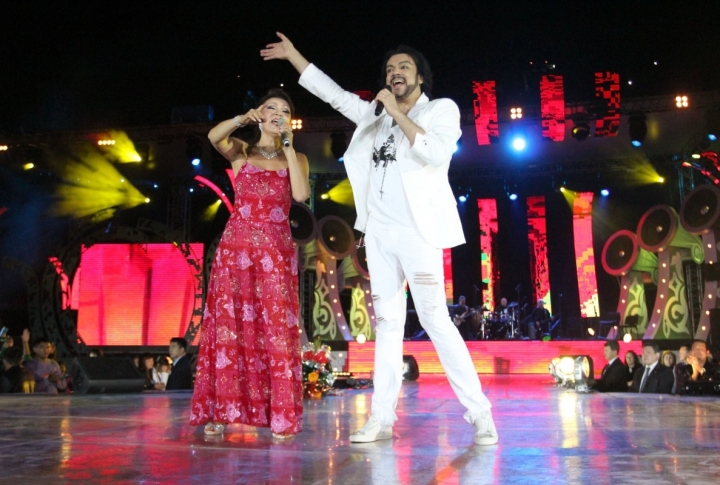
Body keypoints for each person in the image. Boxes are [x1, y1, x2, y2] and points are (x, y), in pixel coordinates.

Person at [262, 33, 497, 446]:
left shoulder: (441, 109)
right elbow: (332, 93)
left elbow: (435, 153)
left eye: (403, 68)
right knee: (387, 326)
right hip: (381, 234)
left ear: (420, 77)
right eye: (390, 70)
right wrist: (293, 55)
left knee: (435, 321)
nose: (395, 74)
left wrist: (395, 112)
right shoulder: (374, 114)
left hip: (418, 234)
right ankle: (381, 418)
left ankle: (480, 414)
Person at [189, 87, 310, 439]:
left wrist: (287, 145)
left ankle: (280, 416)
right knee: (228, 327)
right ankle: (219, 410)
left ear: (290, 121)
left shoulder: (296, 157)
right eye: (271, 107)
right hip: (235, 251)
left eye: (284, 110)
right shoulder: (242, 151)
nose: (277, 113)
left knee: (272, 330)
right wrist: (243, 118)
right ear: (261, 112)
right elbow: (214, 137)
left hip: (274, 251)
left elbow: (301, 195)